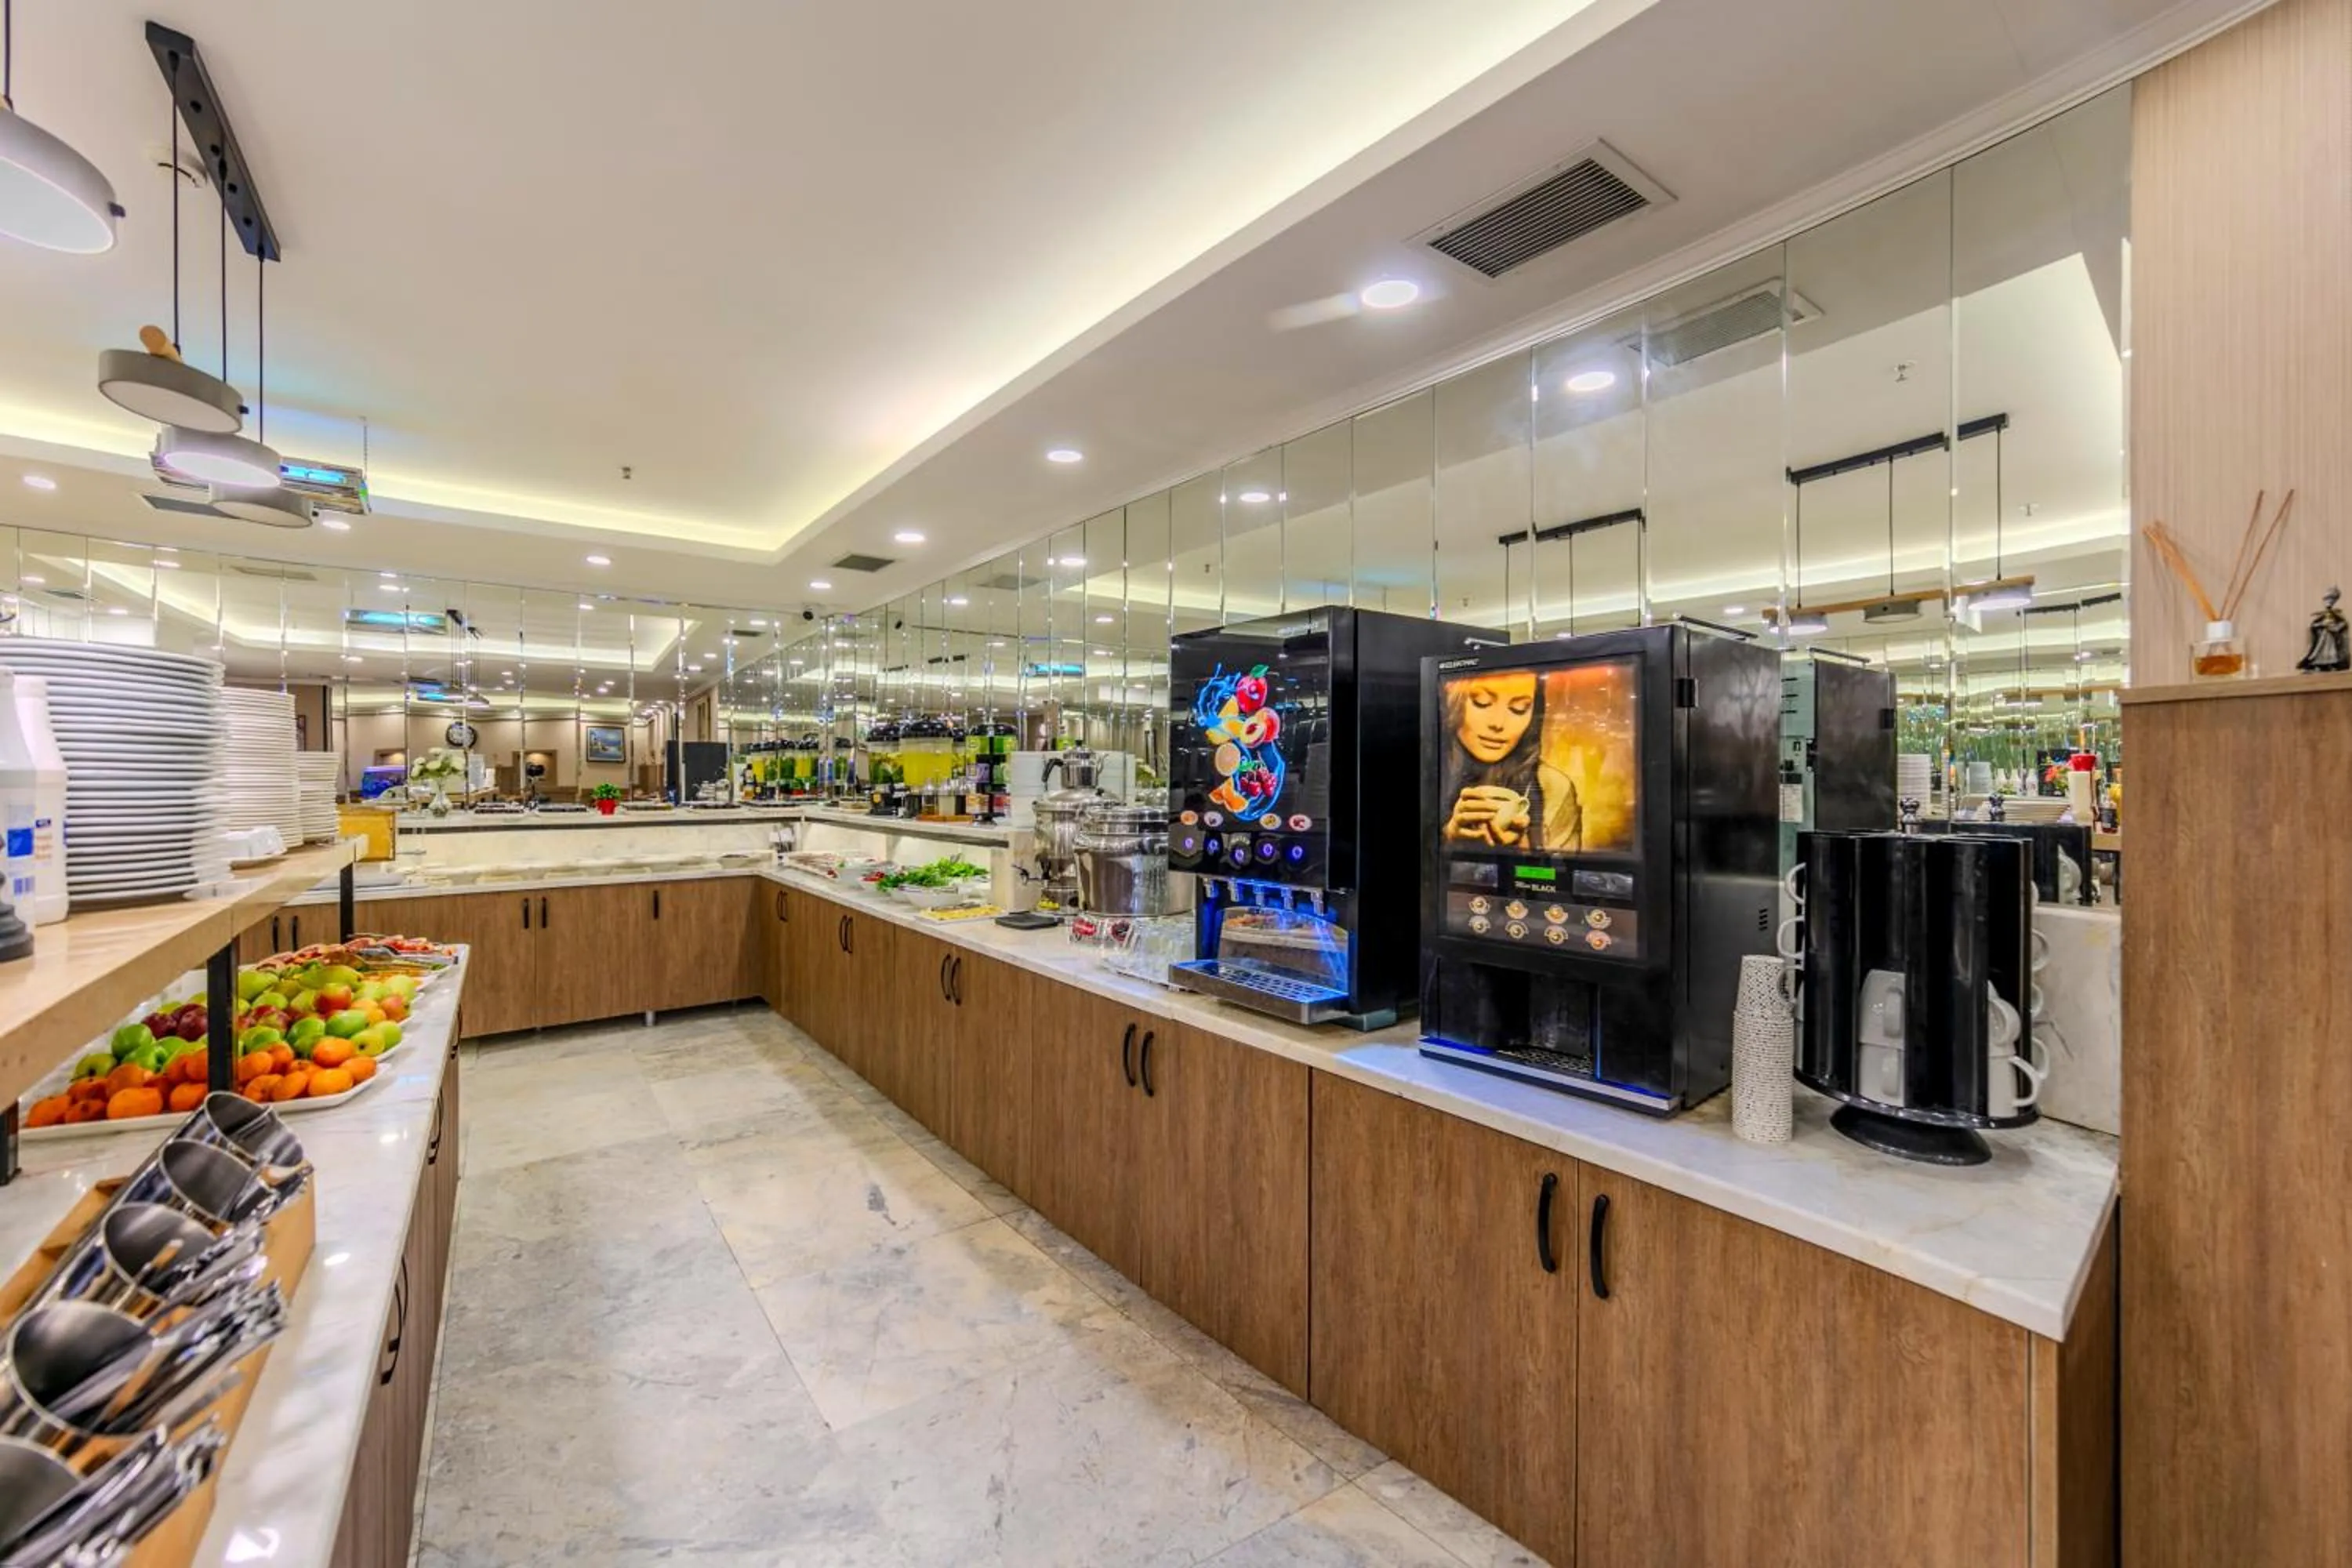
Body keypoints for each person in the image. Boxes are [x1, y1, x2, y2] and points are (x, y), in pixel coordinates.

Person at [1441, 672, 1581, 849]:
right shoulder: (1430, 768)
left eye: (1519, 709)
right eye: (1482, 702)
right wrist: (1448, 839)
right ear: (1452, 700)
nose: (1498, 723)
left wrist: (1521, 850)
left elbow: (1562, 865)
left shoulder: (1554, 787)